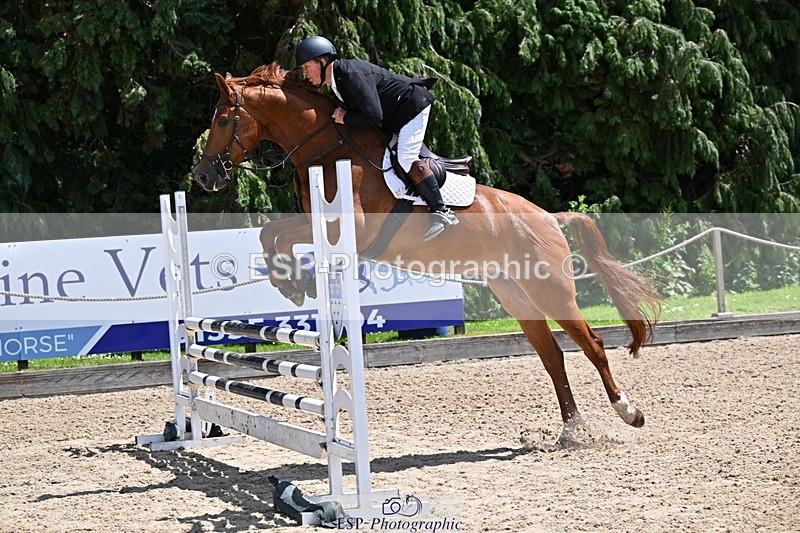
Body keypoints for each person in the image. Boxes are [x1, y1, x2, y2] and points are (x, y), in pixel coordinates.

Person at [295, 36, 459, 241]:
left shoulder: (349, 74)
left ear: (322, 61)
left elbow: (373, 115)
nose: (305, 73)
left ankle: (442, 211)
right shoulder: (338, 82)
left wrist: (346, 117)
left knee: (406, 158)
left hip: (412, 107)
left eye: (307, 67)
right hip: (395, 114)